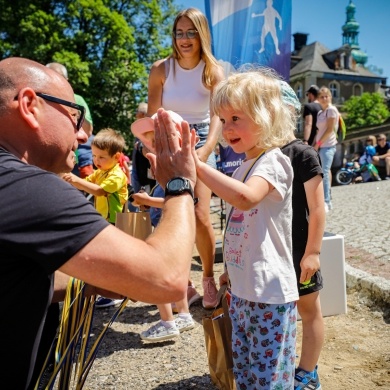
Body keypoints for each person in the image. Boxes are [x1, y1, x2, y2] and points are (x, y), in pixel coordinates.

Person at [0, 57, 197, 390]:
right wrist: (179, 183)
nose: (80, 136)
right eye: (73, 116)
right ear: (30, 105)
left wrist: (95, 278)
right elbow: (167, 279)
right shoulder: (26, 187)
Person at [192, 68, 299, 389]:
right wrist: (232, 271)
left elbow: (246, 199)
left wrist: (195, 163)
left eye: (235, 118)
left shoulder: (274, 162)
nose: (226, 129)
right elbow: (242, 228)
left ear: (266, 117)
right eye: (222, 121)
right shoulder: (242, 166)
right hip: (243, 289)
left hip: (269, 294)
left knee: (268, 378)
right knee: (246, 371)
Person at [147, 7, 225, 309]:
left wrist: (205, 151)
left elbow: (217, 114)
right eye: (179, 33)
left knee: (201, 214)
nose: (184, 39)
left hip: (203, 138)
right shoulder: (160, 70)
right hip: (171, 137)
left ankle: (207, 277)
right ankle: (182, 283)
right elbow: (154, 115)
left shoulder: (213, 71)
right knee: (173, 212)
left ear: (201, 34)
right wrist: (153, 148)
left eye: (191, 32)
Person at [279, 81, 325, 390]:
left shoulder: (304, 154)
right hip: (274, 252)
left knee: (308, 311)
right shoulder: (261, 155)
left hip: (299, 251)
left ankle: (308, 372)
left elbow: (318, 209)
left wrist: (313, 252)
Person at [63, 128, 129, 308]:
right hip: (105, 221)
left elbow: (99, 191)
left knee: (114, 259)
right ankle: (111, 289)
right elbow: (89, 183)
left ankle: (116, 292)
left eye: (102, 157)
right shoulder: (101, 172)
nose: (96, 161)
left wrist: (74, 181)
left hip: (116, 221)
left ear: (116, 157)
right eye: (94, 156)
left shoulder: (117, 175)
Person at [46, 62, 94, 178]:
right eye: (50, 76)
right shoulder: (39, 98)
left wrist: (73, 108)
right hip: (44, 161)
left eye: (59, 77)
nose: (55, 81)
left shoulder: (77, 99)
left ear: (67, 80)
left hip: (70, 163)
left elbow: (87, 131)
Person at [314, 87, 338, 213]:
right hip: (320, 145)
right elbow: (319, 130)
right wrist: (314, 144)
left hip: (328, 145)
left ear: (330, 97)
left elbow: (329, 130)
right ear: (318, 99)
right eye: (322, 96)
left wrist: (318, 144)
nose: (324, 98)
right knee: (324, 172)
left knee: (324, 171)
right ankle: (325, 199)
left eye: (326, 96)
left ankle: (327, 201)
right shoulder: (320, 113)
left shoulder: (332, 110)